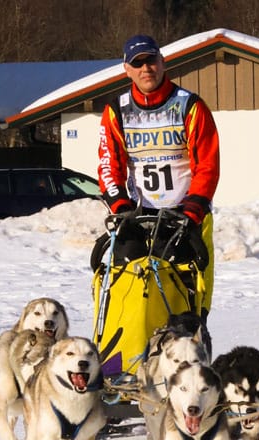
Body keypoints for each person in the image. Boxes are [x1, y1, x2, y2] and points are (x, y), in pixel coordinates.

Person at [97, 34, 220, 316]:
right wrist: (120, 206)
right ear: (127, 69)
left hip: (186, 214)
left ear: (162, 62)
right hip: (139, 216)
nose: (145, 69)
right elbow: (108, 165)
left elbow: (208, 165)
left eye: (150, 60)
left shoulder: (190, 106)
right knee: (129, 294)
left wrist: (193, 211)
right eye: (137, 63)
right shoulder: (117, 111)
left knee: (188, 302)